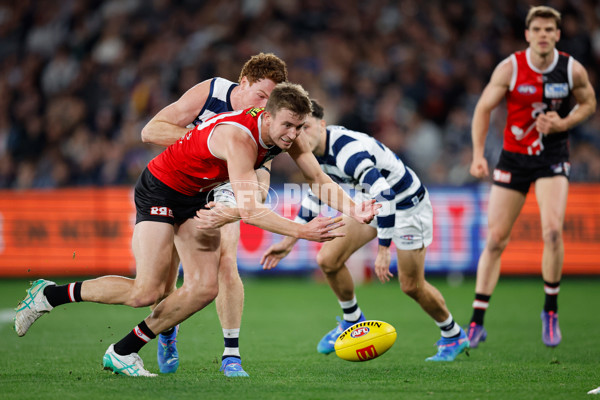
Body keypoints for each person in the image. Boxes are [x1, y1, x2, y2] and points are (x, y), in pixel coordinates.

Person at [15, 83, 380, 377]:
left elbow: (317, 178)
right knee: (147, 291)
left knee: (205, 287)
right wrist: (303, 232)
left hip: (196, 196)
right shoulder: (240, 137)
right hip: (160, 188)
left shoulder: (289, 133)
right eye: (287, 125)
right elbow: (250, 210)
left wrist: (355, 207)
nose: (293, 134)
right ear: (266, 117)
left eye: (299, 127)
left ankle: (123, 351)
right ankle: (48, 295)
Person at [249, 100, 469, 362]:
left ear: (321, 124)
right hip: (372, 205)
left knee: (411, 285)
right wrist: (289, 240)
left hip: (407, 207)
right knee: (327, 260)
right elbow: (318, 194)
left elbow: (386, 194)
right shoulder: (312, 153)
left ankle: (453, 333)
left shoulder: (348, 152)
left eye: (305, 126)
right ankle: (352, 321)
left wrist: (384, 249)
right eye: (296, 128)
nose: (299, 134)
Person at [140, 52, 287, 377]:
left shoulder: (264, 121)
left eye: (270, 99)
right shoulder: (211, 93)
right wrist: (209, 144)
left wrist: (252, 192)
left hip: (220, 190)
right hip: (177, 184)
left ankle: (231, 355)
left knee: (226, 262)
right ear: (243, 82)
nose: (264, 105)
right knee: (163, 280)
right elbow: (151, 130)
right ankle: (166, 331)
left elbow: (261, 175)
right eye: (260, 95)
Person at [466, 6, 596, 348]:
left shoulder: (571, 69)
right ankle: (477, 321)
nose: (542, 34)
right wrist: (478, 156)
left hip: (552, 157)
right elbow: (483, 108)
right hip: (514, 158)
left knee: (553, 231)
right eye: (536, 29)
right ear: (527, 34)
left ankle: (550, 311)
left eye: (549, 29)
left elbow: (589, 103)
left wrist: (564, 123)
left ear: (557, 34)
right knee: (495, 240)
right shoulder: (510, 68)